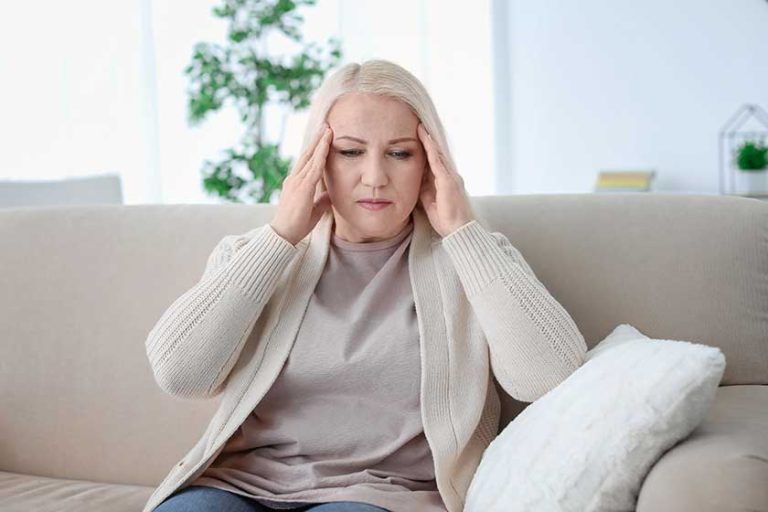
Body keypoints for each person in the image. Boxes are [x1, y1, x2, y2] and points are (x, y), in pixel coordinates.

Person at [143, 59, 588, 512]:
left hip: (386, 496)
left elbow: (549, 377)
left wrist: (463, 231)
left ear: (431, 165)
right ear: (317, 161)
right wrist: (279, 238)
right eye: (351, 152)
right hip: (241, 487)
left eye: (400, 153)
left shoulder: (473, 258)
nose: (375, 177)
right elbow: (180, 376)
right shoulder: (257, 255)